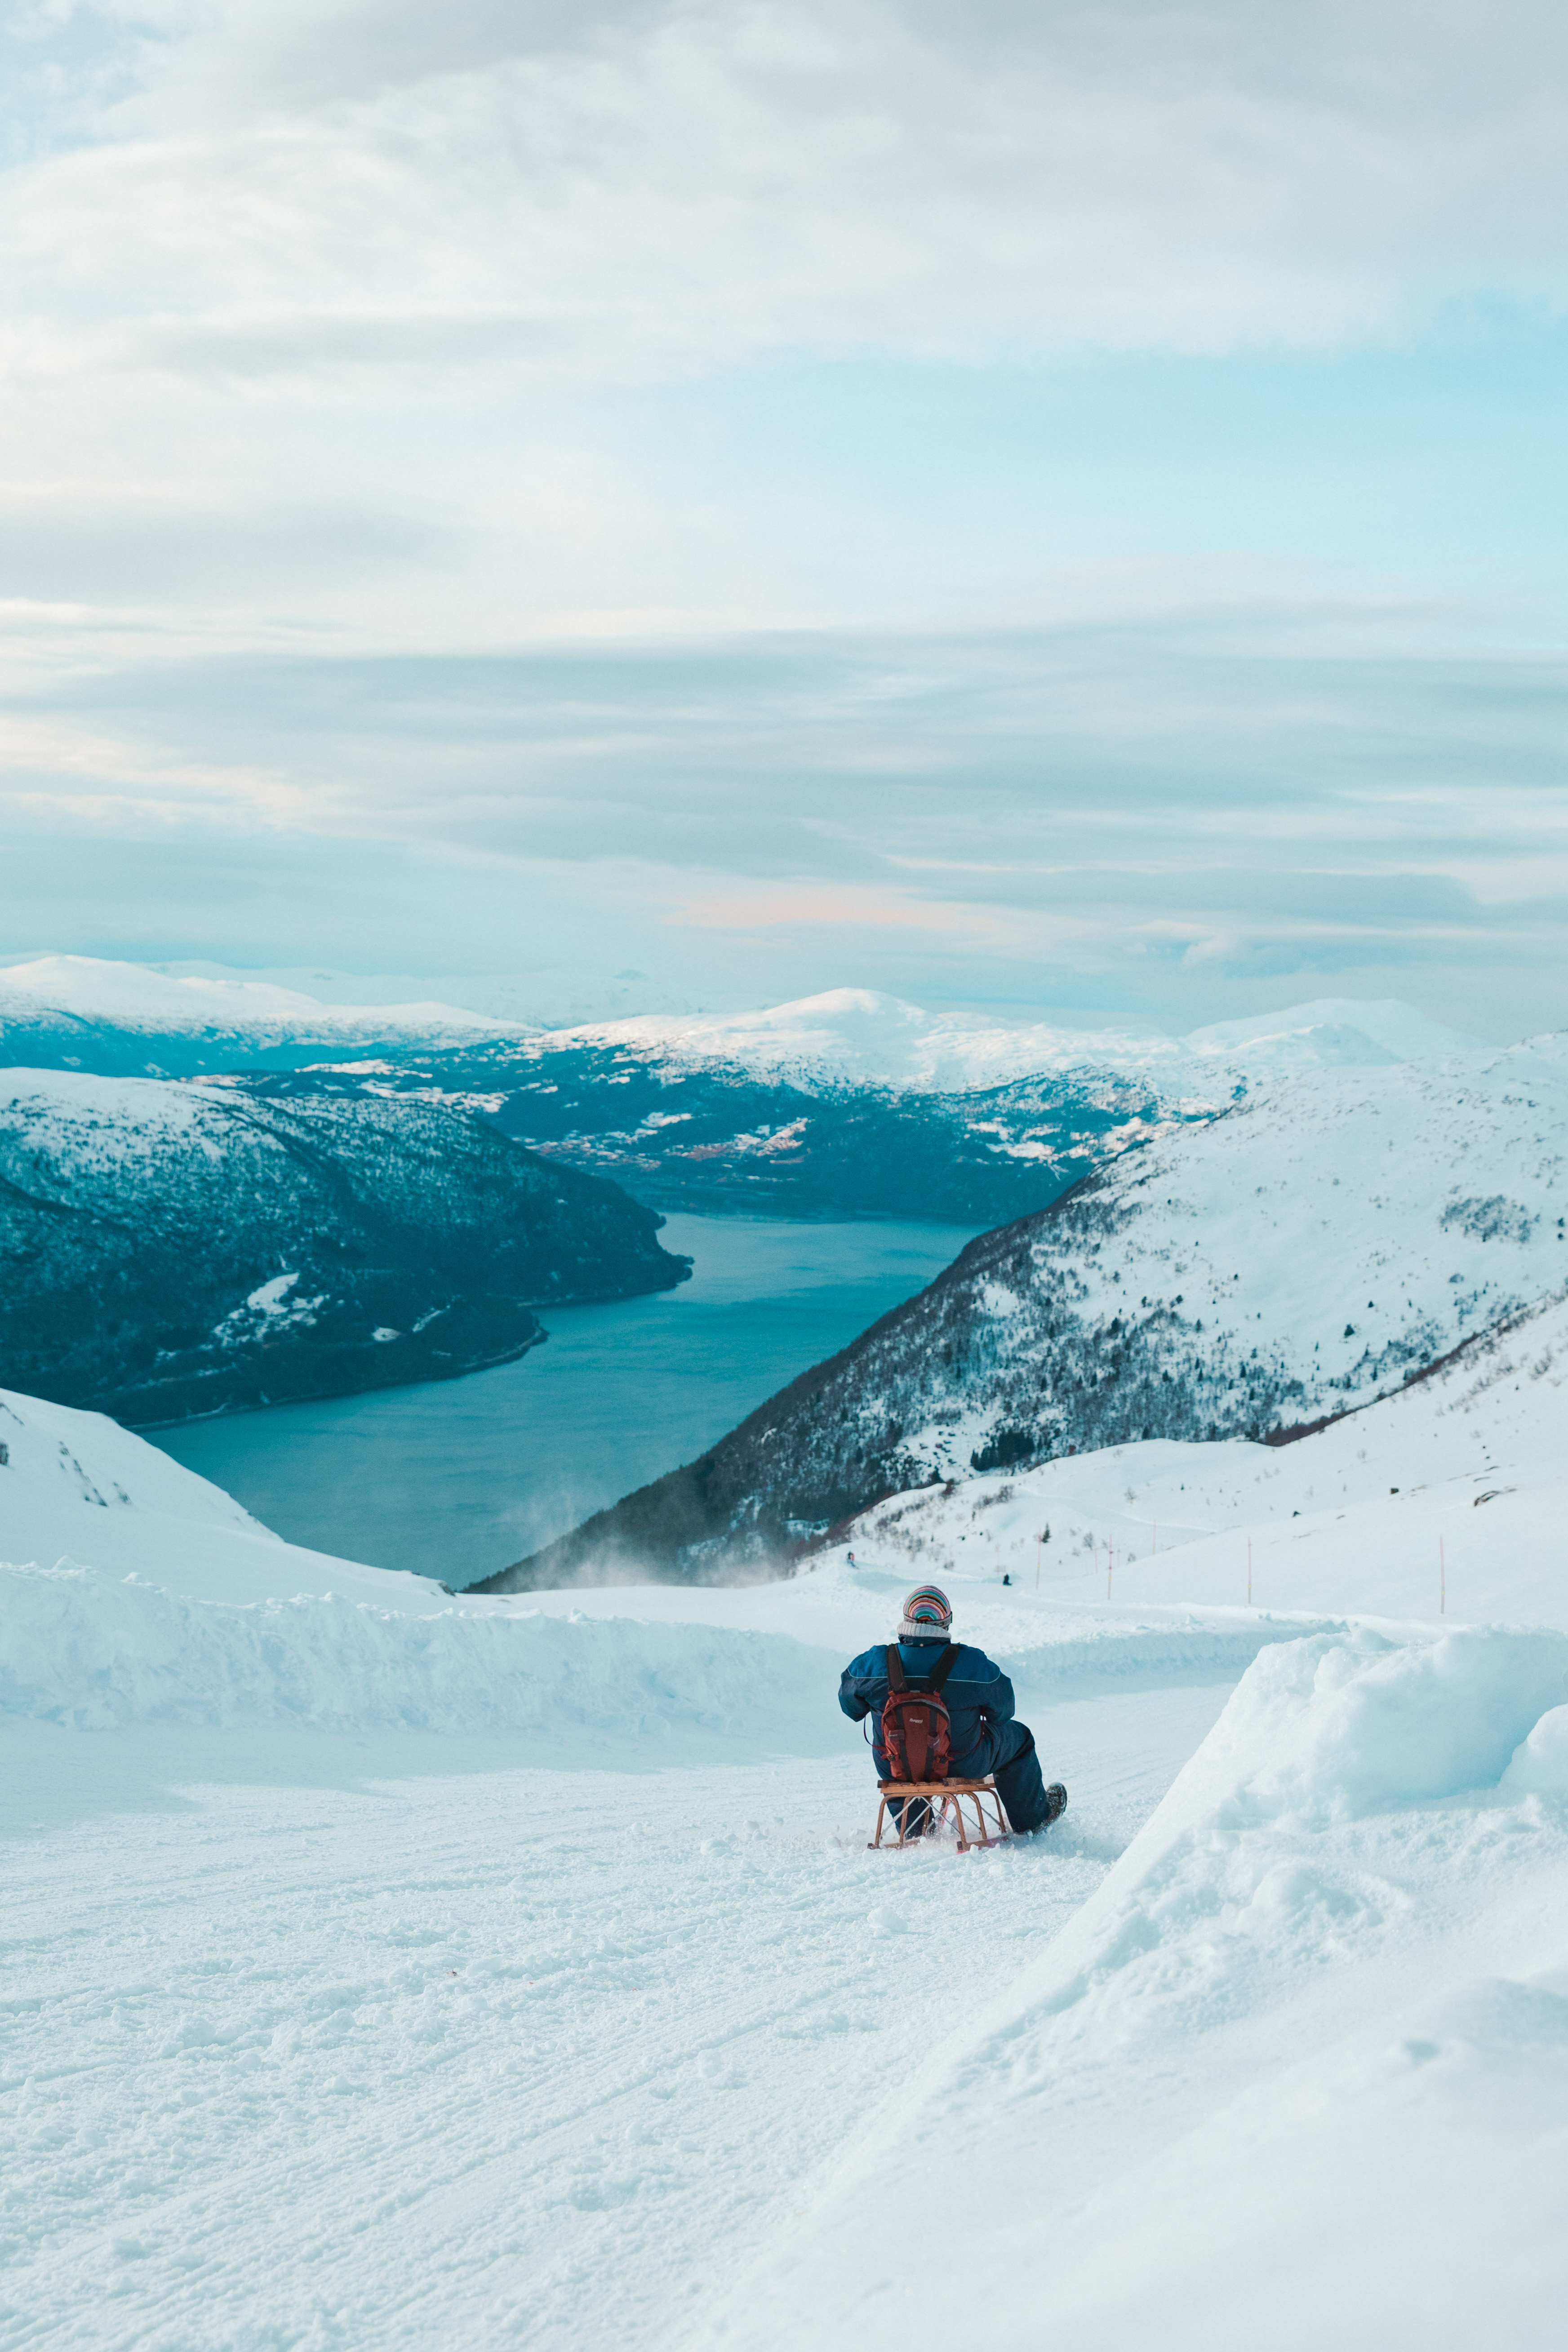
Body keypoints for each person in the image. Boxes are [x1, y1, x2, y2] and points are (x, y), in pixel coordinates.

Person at [839, 1583, 1066, 1836]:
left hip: (895, 1765)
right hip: (962, 1762)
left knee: (898, 1756)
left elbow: (851, 1708)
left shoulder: (868, 1665)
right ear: (946, 1623)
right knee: (1020, 1737)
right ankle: (1032, 1820)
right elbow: (1003, 1711)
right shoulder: (973, 1664)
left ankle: (918, 1830)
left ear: (906, 1621)